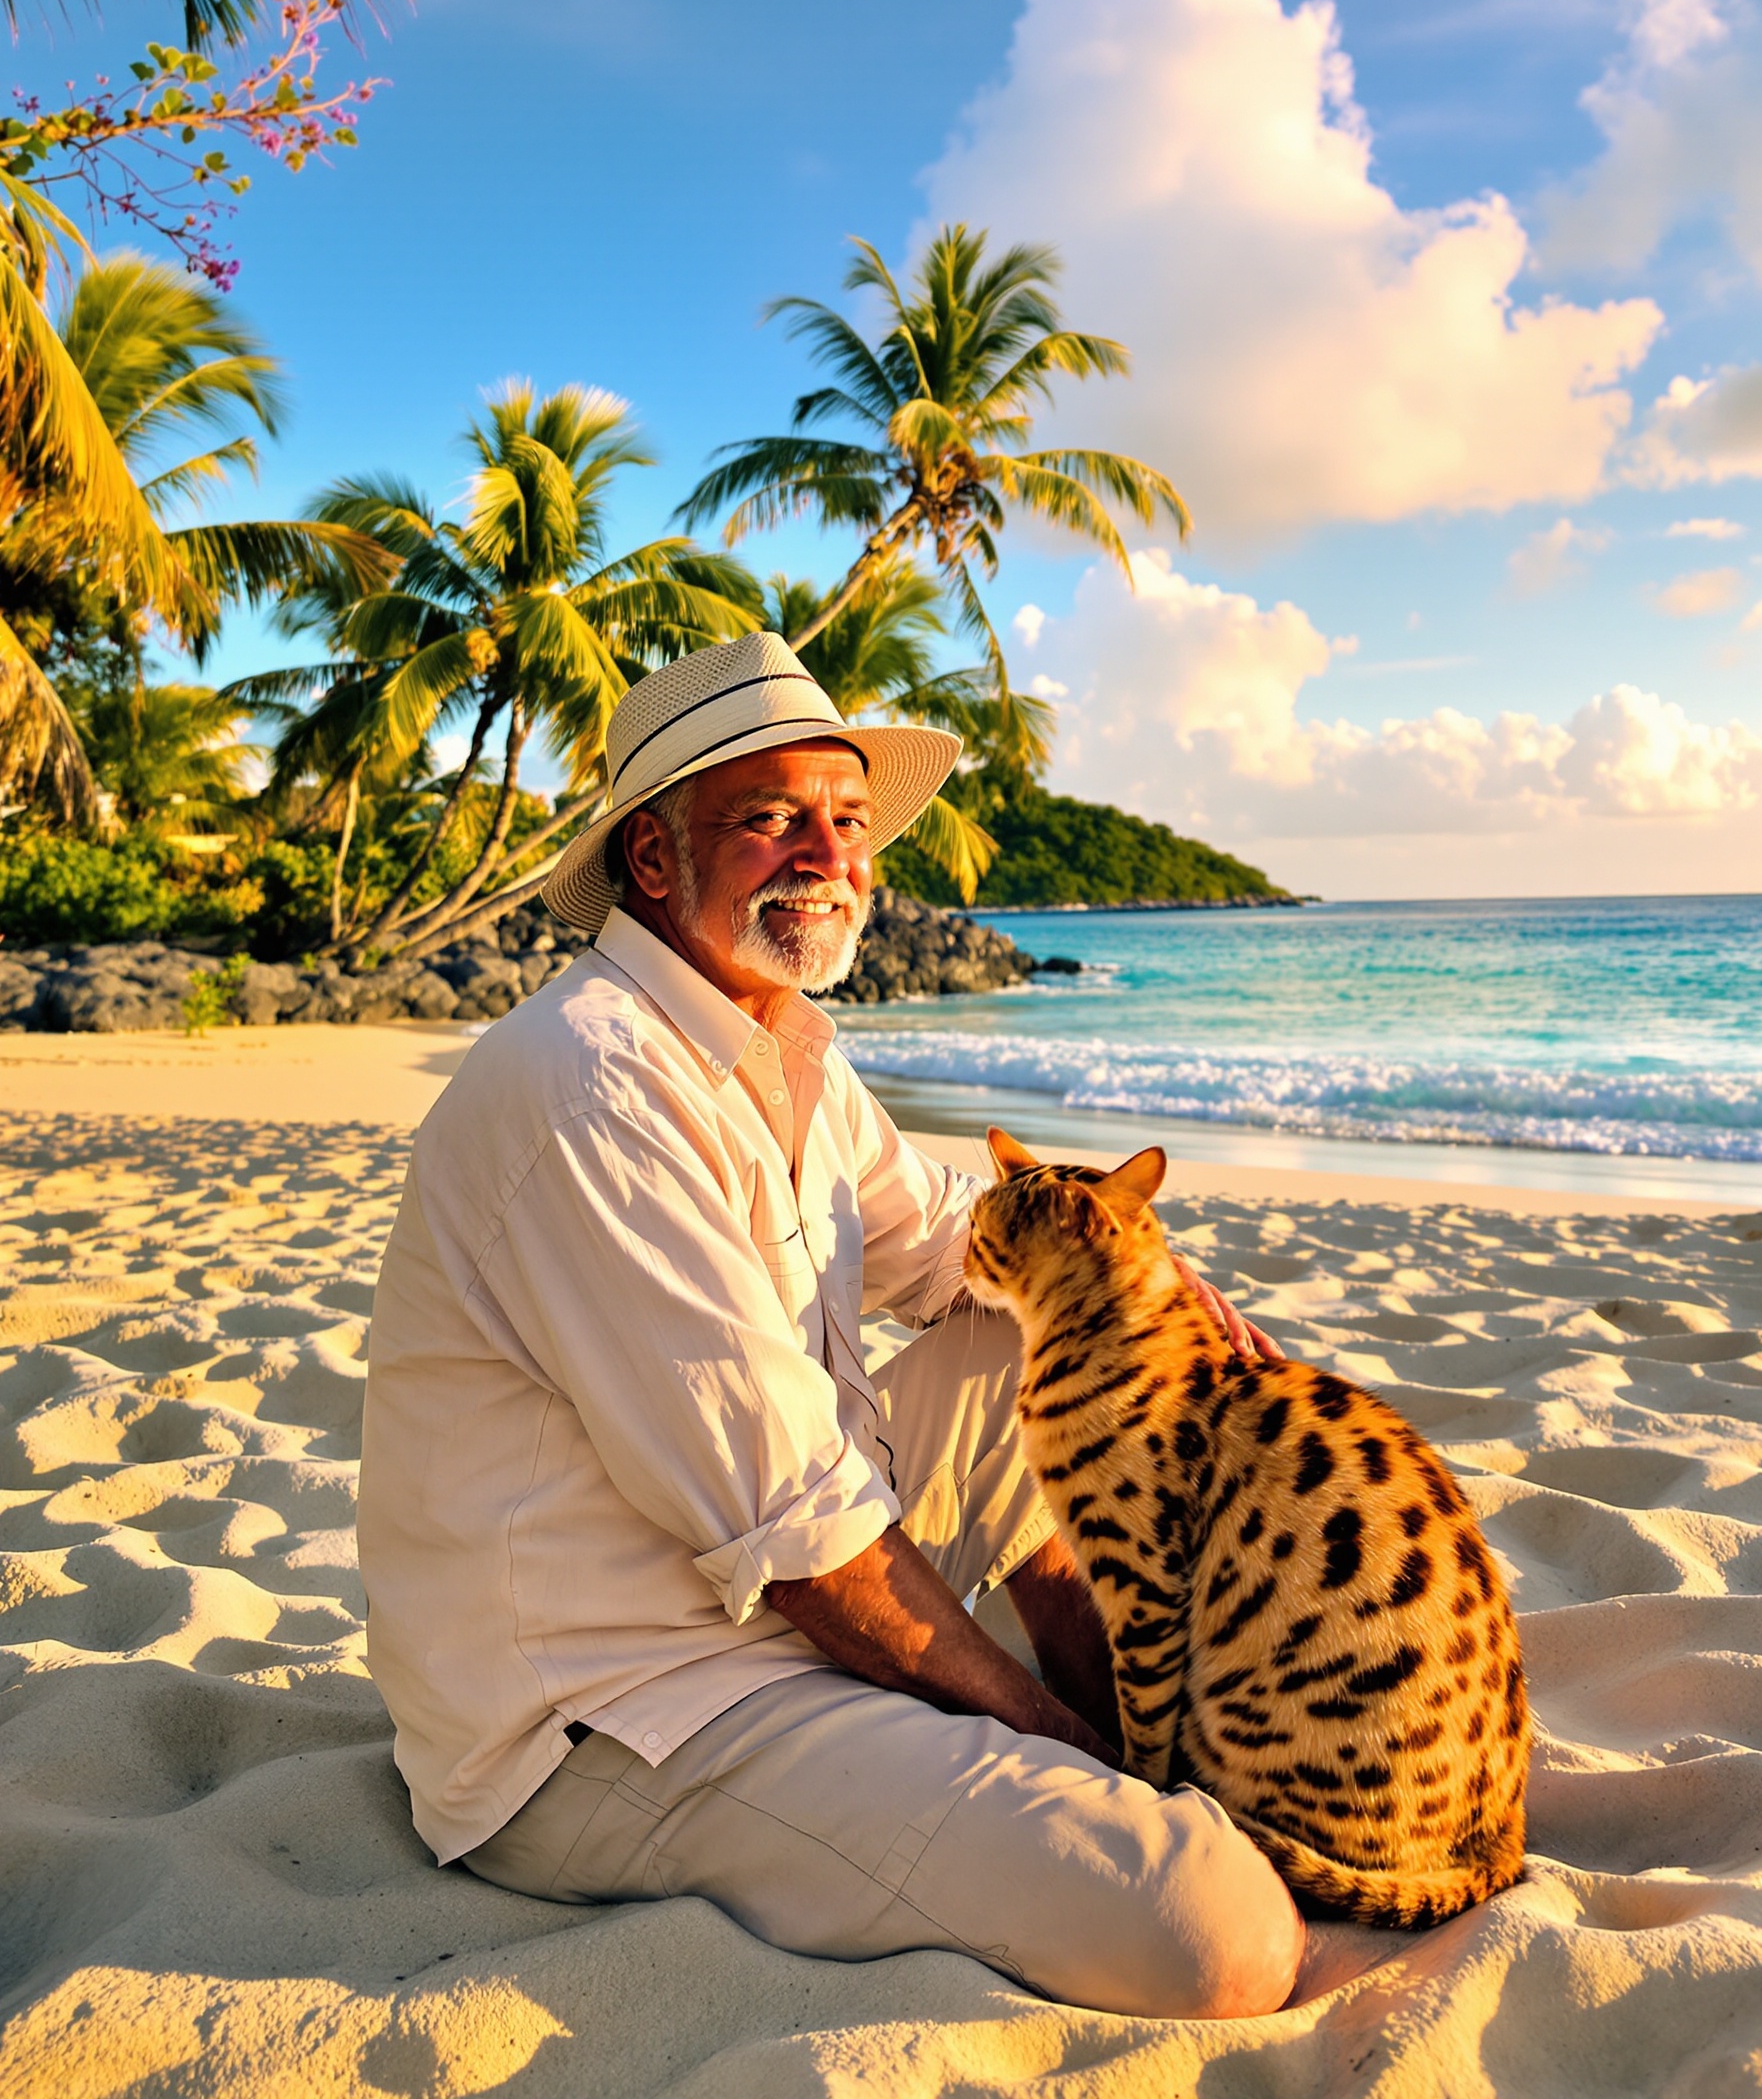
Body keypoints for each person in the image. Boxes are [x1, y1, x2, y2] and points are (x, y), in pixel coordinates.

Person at [358, 632, 1305, 2018]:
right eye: (769, 819)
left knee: (1040, 1336)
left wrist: (1166, 1302)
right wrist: (1036, 1738)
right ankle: (1102, 1754)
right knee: (1216, 1938)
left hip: (749, 1590)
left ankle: (1140, 1729)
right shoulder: (594, 1084)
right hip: (621, 1710)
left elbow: (946, 1251)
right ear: (656, 863)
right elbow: (799, 1535)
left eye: (847, 821)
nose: (829, 854)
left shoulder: (781, 1041)